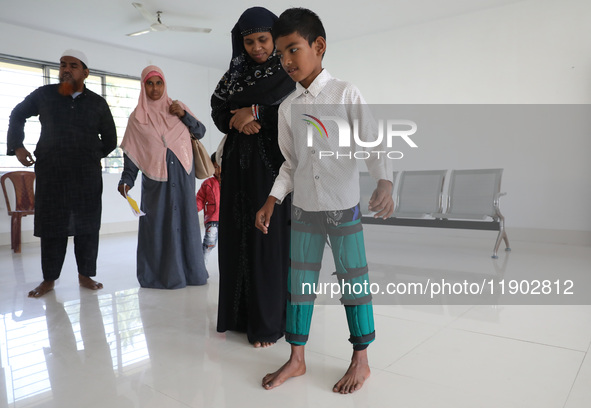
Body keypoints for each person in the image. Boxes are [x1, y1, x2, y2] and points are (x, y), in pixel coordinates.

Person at [255, 8, 394, 394]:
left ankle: (361, 360)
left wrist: (384, 180)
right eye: (280, 54)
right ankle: (296, 358)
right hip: (304, 210)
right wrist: (272, 199)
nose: (285, 61)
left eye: (293, 50)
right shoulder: (287, 109)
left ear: (319, 47)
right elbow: (291, 164)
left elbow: (374, 144)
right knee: (299, 283)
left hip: (343, 206)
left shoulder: (346, 94)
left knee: (353, 280)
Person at [211, 7, 295, 348]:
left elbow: (293, 111)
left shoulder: (287, 72)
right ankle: (239, 316)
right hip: (235, 167)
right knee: (236, 236)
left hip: (271, 165)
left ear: (275, 38)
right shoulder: (234, 74)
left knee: (266, 240)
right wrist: (237, 119)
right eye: (249, 42)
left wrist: (255, 111)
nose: (257, 48)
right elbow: (217, 110)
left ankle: (268, 322)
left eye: (263, 39)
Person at [6, 49, 117, 298]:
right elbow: (17, 114)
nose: (66, 69)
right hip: (52, 173)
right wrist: (17, 146)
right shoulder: (45, 95)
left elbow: (110, 139)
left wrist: (90, 155)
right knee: (52, 226)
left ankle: (86, 275)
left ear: (85, 72)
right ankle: (49, 280)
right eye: (63, 65)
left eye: (73, 66)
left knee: (87, 226)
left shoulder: (97, 103)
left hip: (86, 176)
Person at [118, 65, 208, 289]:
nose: (155, 88)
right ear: (143, 86)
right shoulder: (137, 119)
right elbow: (132, 155)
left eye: (159, 83)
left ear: (165, 85)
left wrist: (184, 115)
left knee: (185, 224)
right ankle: (160, 276)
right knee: (157, 227)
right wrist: (126, 181)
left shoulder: (177, 108)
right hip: (156, 183)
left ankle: (192, 274)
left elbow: (200, 132)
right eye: (150, 83)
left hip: (183, 178)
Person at [196, 152, 221, 265]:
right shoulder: (208, 183)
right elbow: (200, 199)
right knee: (209, 242)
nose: (219, 170)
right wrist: (192, 210)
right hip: (212, 219)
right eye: (215, 167)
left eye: (221, 166)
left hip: (229, 219)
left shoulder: (232, 182)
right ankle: (202, 264)